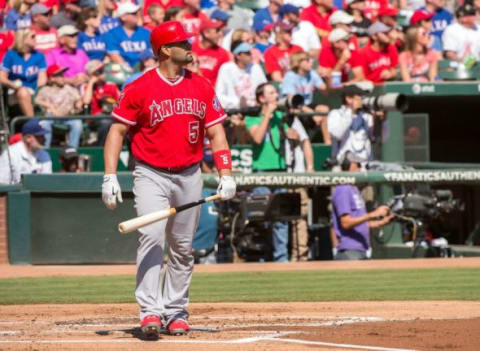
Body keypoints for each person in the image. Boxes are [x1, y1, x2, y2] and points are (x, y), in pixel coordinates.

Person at [102, 21, 236, 338]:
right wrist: (109, 177)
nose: (189, 47)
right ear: (165, 50)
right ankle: (150, 311)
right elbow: (116, 132)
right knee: (151, 237)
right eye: (183, 43)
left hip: (190, 173)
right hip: (150, 173)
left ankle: (175, 311)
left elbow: (217, 134)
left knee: (182, 246)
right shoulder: (139, 87)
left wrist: (226, 173)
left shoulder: (201, 86)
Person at [244, 82, 299, 262]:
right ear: (261, 98)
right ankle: (261, 257)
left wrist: (294, 136)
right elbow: (258, 138)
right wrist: (267, 115)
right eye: (271, 92)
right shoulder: (252, 118)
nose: (276, 95)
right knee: (262, 217)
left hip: (280, 171)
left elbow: (295, 141)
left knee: (281, 218)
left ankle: (281, 259)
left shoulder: (281, 116)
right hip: (261, 172)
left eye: (276, 92)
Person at [331, 151, 393, 260]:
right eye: (358, 165)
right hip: (349, 251)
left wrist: (380, 223)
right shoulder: (343, 189)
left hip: (361, 249)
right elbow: (346, 222)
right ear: (350, 165)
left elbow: (358, 223)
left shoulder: (353, 189)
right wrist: (373, 214)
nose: (360, 168)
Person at [0, 28, 47, 117]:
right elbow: (2, 77)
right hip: (15, 90)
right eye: (32, 36)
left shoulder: (39, 55)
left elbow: (42, 78)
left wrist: (38, 92)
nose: (35, 38)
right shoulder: (11, 55)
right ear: (23, 38)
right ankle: (33, 122)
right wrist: (12, 85)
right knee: (23, 92)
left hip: (34, 91)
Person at [35, 63, 83, 148]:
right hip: (51, 117)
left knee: (77, 123)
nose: (62, 77)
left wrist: (78, 104)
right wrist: (49, 106)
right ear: (52, 78)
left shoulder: (69, 88)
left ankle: (72, 149)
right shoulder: (45, 89)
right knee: (44, 123)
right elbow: (36, 100)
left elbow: (78, 99)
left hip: (67, 116)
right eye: (59, 75)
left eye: (62, 75)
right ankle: (46, 149)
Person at [327, 84, 373, 163]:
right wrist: (351, 112)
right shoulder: (335, 114)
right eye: (359, 97)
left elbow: (379, 138)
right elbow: (337, 134)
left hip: (365, 165)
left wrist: (382, 120)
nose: (362, 100)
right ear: (348, 99)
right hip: (343, 165)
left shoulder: (366, 116)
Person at [215, 41, 267, 109]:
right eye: (247, 53)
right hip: (234, 110)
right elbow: (219, 95)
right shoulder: (226, 69)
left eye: (250, 52)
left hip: (256, 108)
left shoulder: (255, 67)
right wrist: (238, 103)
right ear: (238, 56)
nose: (250, 55)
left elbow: (265, 88)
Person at [0, 119, 52, 184]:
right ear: (28, 138)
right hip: (15, 193)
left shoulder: (45, 155)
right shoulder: (10, 154)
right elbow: (2, 184)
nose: (44, 139)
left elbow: (47, 182)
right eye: (40, 136)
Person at [81, 59, 120, 146]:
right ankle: (101, 149)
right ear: (93, 74)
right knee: (105, 122)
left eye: (104, 70)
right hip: (94, 117)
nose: (104, 73)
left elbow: (121, 101)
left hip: (111, 114)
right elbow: (86, 101)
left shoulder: (111, 85)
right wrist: (91, 82)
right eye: (100, 71)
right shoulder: (86, 86)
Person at [104, 2, 151, 71]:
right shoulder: (112, 34)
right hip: (122, 70)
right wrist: (127, 70)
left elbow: (151, 54)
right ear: (123, 17)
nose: (137, 15)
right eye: (133, 13)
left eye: (137, 12)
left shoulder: (146, 33)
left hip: (144, 68)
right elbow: (114, 55)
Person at [191, 18, 230, 85]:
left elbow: (224, 79)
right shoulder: (191, 49)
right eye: (217, 31)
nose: (220, 34)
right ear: (206, 33)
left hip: (210, 91)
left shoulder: (223, 54)